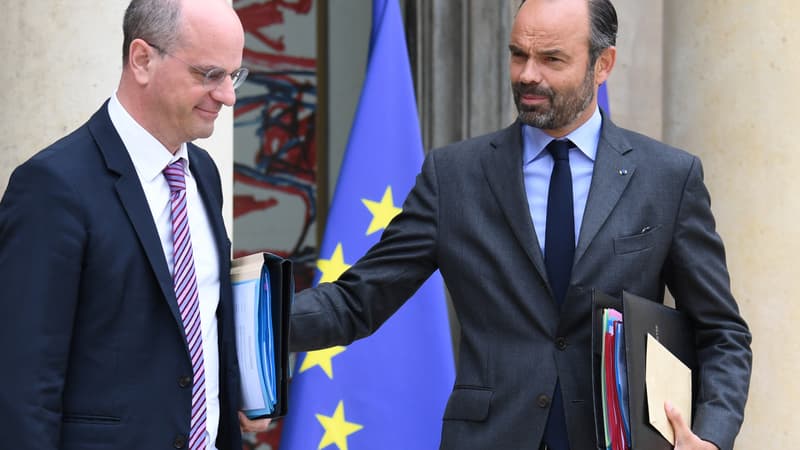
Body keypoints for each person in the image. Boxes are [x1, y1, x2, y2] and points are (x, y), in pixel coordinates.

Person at [288, 0, 752, 449]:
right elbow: (354, 302)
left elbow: (721, 332)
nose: (528, 74)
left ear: (603, 64)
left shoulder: (668, 178)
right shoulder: (453, 177)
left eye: (551, 59)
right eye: (518, 54)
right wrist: (240, 327)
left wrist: (710, 436)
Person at [0, 0, 250, 448]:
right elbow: (22, 386)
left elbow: (198, 327)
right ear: (142, 60)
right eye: (209, 74)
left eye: (234, 76)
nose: (228, 96)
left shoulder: (204, 175)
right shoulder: (52, 186)